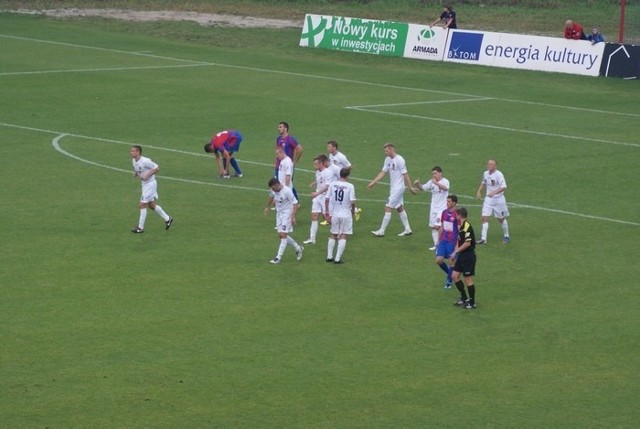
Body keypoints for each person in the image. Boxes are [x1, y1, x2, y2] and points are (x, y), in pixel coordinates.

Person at [368, 143, 417, 237]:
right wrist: (374, 182)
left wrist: (410, 187)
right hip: (393, 188)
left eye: (386, 151)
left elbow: (405, 175)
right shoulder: (387, 160)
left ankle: (381, 231)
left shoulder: (400, 160)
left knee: (388, 207)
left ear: (391, 149)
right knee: (399, 207)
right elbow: (383, 172)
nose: (385, 153)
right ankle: (407, 229)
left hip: (398, 188)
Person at [130, 145, 173, 233]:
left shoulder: (145, 161)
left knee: (141, 205)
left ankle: (140, 228)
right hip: (144, 185)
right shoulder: (134, 160)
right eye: (131, 151)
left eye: (133, 151)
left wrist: (147, 175)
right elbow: (137, 168)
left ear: (138, 152)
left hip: (150, 185)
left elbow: (157, 168)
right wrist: (135, 173)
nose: (131, 153)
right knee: (151, 205)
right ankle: (168, 219)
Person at [263, 177, 303, 264]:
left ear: (277, 185)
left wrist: (293, 216)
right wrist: (267, 207)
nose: (272, 190)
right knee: (281, 235)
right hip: (279, 213)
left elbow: (295, 203)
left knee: (284, 235)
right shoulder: (273, 190)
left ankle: (278, 257)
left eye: (273, 188)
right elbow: (271, 196)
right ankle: (298, 248)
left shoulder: (287, 191)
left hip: (287, 214)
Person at [413, 166, 450, 251]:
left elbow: (445, 188)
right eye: (433, 174)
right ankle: (436, 245)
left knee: (438, 226)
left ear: (440, 173)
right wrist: (418, 184)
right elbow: (423, 188)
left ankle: (441, 245)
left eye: (435, 173)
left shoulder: (445, 181)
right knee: (433, 227)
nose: (434, 175)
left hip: (442, 209)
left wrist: (436, 183)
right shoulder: (431, 182)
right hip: (433, 208)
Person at [324, 168, 357, 264]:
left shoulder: (333, 184)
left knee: (333, 234)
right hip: (346, 213)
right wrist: (353, 211)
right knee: (343, 235)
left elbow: (326, 199)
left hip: (335, 213)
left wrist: (326, 212)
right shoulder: (350, 186)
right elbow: (352, 201)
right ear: (347, 176)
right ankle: (337, 258)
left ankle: (329, 256)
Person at [476, 159, 510, 244]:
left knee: (501, 219)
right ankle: (484, 239)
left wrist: (493, 193)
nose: (489, 165)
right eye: (488, 164)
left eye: (491, 164)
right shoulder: (485, 173)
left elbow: (503, 187)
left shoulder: (499, 174)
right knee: (484, 217)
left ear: (495, 166)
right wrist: (479, 191)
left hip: (499, 200)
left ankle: (506, 236)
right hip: (488, 199)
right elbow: (483, 182)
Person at [303, 155, 335, 245]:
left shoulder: (328, 172)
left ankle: (339, 231)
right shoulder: (317, 172)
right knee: (314, 216)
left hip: (325, 197)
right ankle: (312, 239)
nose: (314, 166)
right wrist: (315, 183)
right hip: (317, 197)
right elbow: (321, 180)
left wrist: (317, 193)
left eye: (316, 164)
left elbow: (328, 186)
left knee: (327, 218)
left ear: (321, 163)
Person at [327, 140, 362, 222]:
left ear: (334, 147)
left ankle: (331, 216)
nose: (328, 148)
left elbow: (349, 166)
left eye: (329, 147)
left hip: (340, 178)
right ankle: (331, 215)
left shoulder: (341, 157)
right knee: (332, 196)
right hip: (334, 178)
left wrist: (343, 174)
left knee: (337, 197)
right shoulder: (330, 155)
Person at [451, 207, 477, 310]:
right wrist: (455, 253)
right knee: (455, 276)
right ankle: (464, 298)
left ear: (459, 215)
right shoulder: (461, 227)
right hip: (462, 256)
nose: (455, 216)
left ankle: (472, 302)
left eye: (456, 215)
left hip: (468, 256)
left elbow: (467, 243)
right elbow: (459, 241)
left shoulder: (467, 227)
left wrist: (456, 251)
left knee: (468, 279)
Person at [435, 195, 459, 289]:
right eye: (447, 201)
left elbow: (460, 230)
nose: (447, 203)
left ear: (454, 203)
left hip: (452, 241)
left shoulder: (457, 214)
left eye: (449, 201)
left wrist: (457, 245)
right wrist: (438, 240)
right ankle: (450, 273)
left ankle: (449, 281)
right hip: (443, 240)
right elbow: (442, 226)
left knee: (451, 261)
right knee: (438, 260)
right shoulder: (444, 212)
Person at [275, 121, 303, 200]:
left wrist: (294, 162)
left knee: (288, 183)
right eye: (278, 127)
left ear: (286, 129)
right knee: (278, 183)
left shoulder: (290, 139)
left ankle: (295, 201)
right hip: (278, 165)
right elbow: (278, 151)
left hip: (287, 166)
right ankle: (281, 200)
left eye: (280, 127)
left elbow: (300, 149)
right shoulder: (278, 139)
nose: (278, 129)